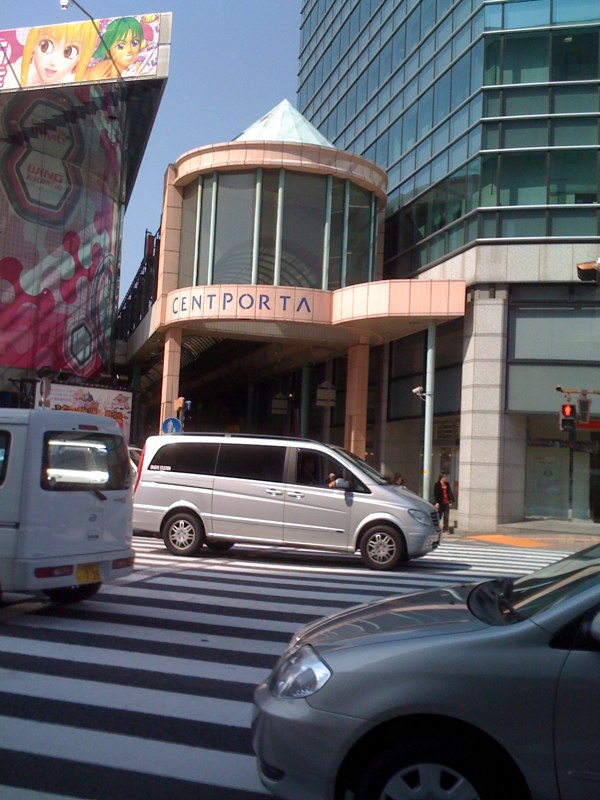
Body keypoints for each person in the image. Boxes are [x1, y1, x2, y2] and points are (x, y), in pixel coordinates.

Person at [20, 21, 97, 87]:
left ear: (80, 57)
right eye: (45, 46)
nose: (53, 62)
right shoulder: (12, 78)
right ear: (33, 44)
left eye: (69, 52)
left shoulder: (83, 88)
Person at [84, 17, 144, 82]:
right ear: (107, 51)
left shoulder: (138, 66)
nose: (129, 50)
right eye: (121, 46)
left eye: (134, 43)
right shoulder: (98, 73)